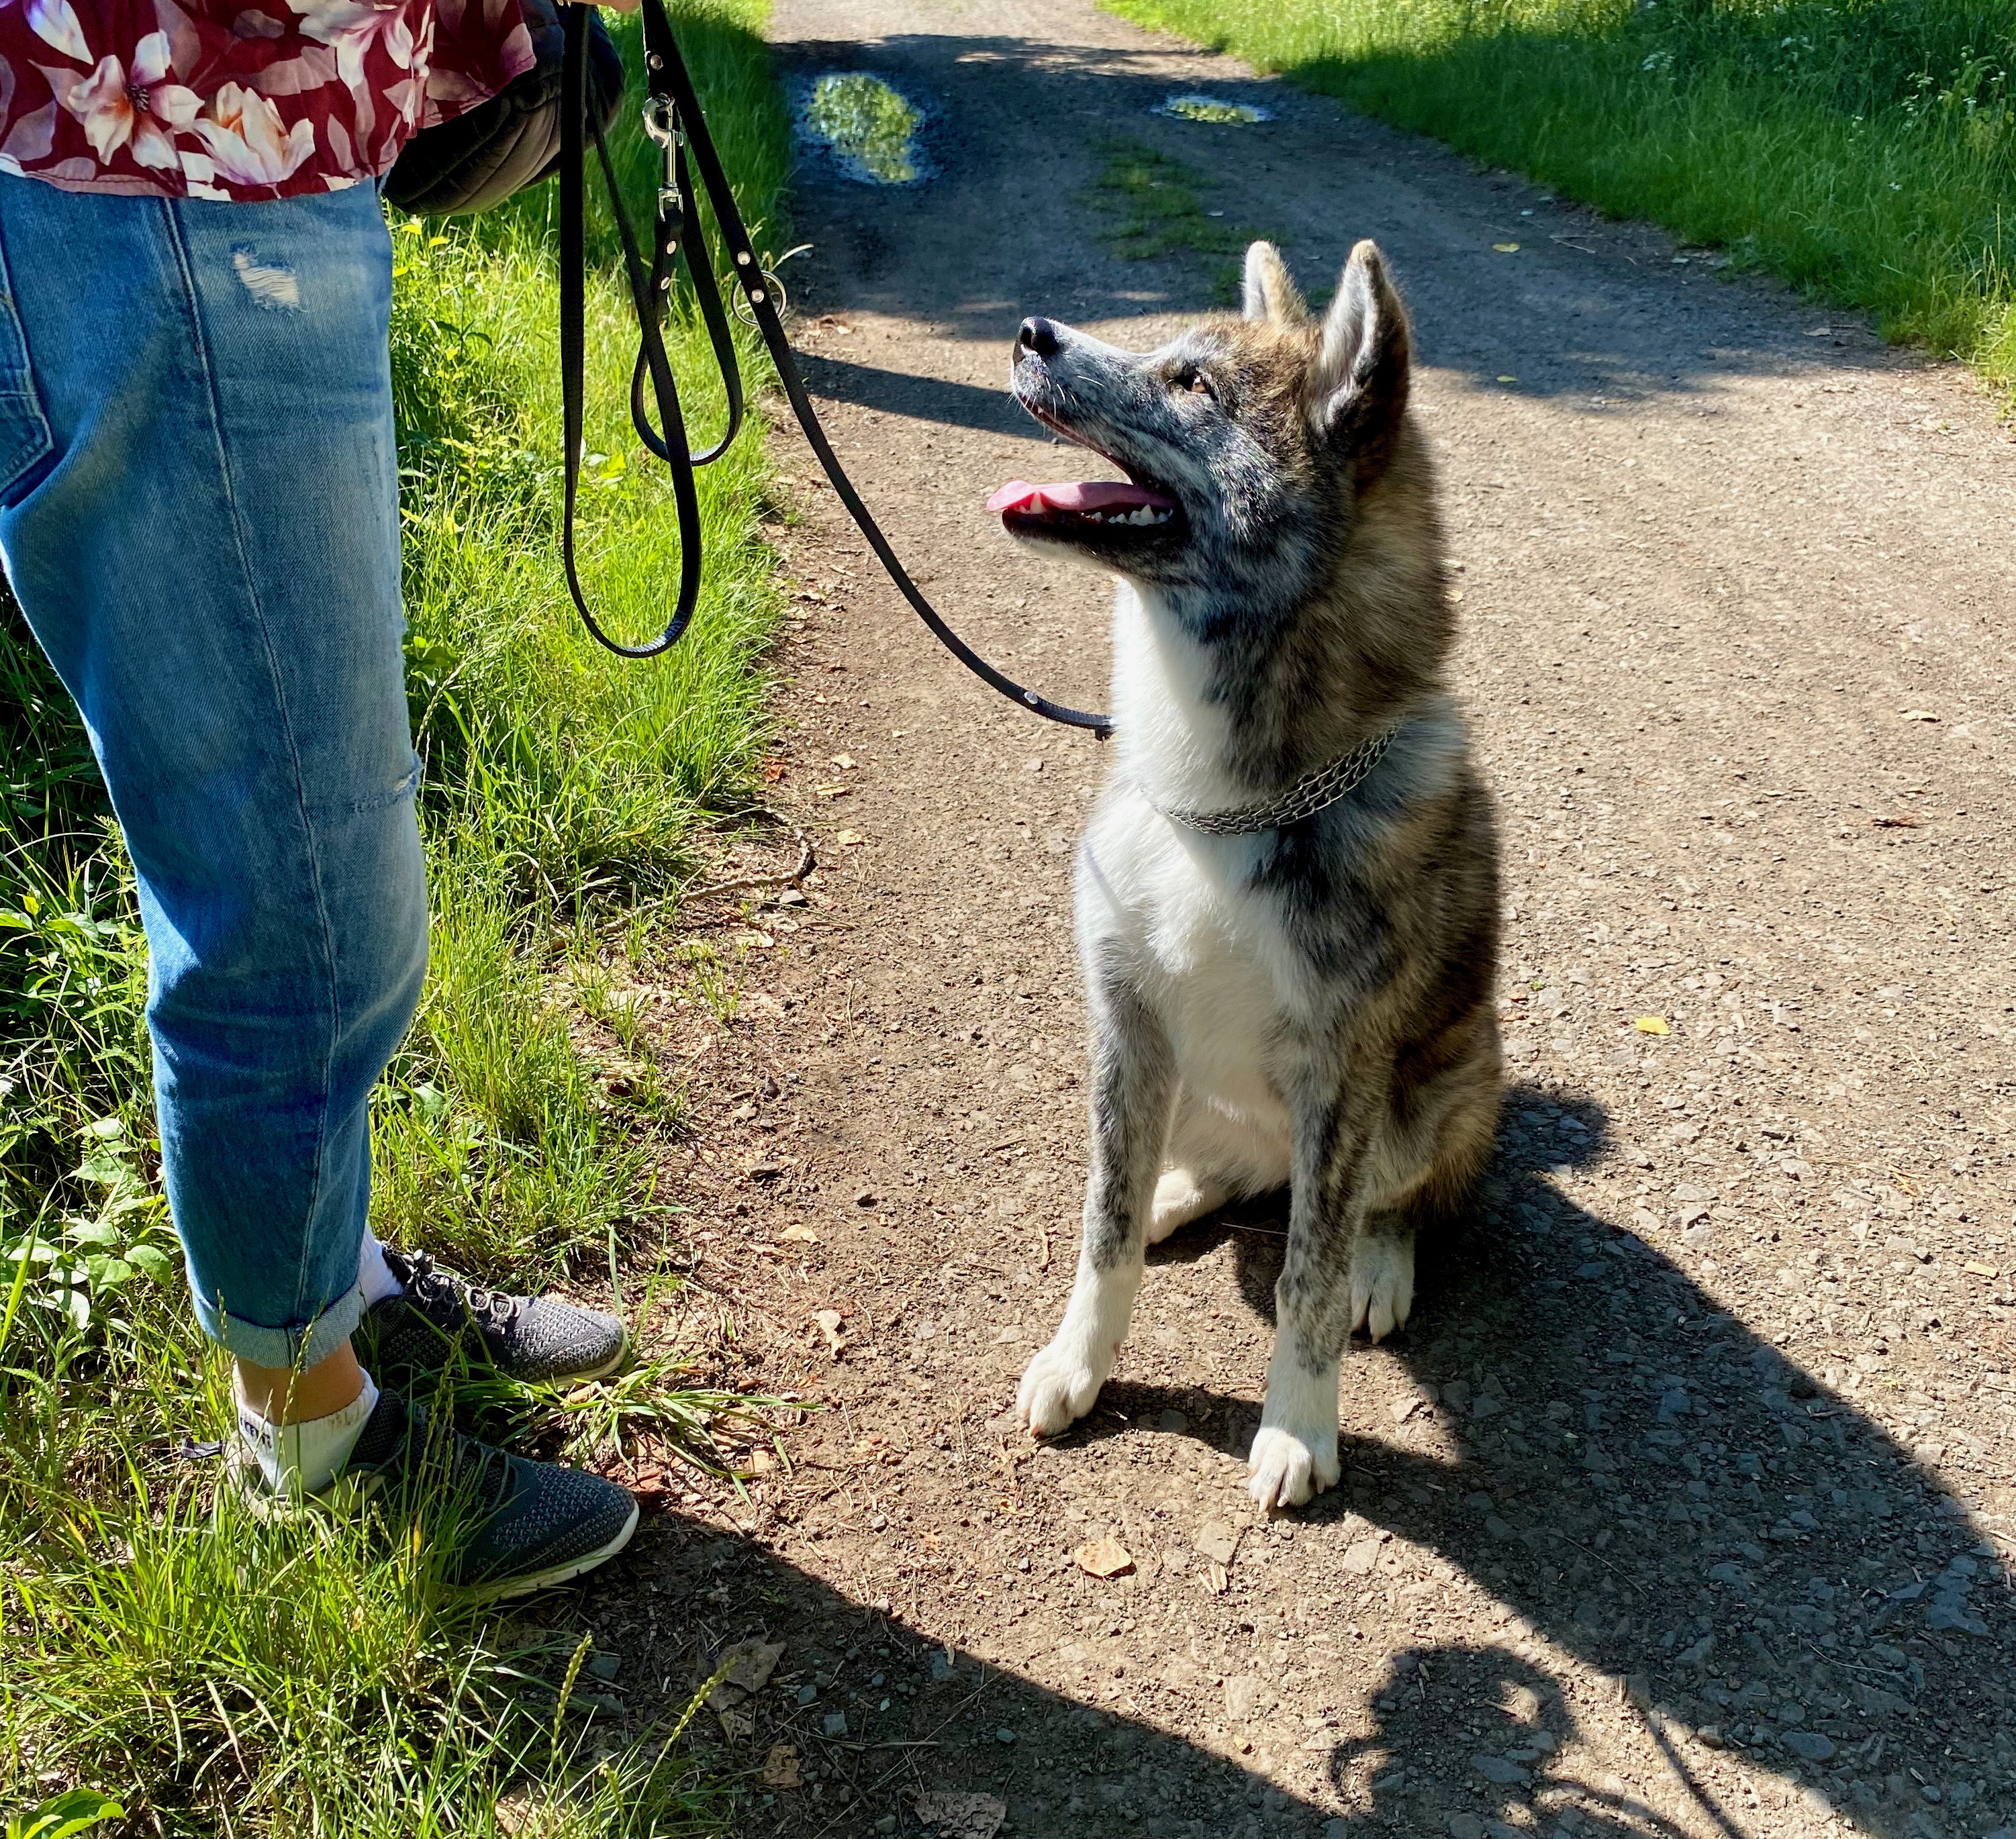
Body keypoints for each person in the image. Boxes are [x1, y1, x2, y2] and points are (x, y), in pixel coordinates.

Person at [0, 0, 642, 1600]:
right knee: (294, 890)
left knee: (290, 820)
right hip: (156, 146)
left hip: (254, 142)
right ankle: (310, 1440)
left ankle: (322, 1280)